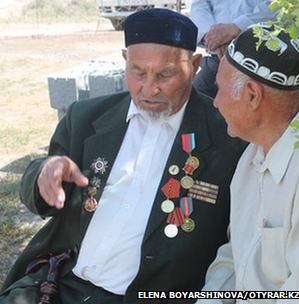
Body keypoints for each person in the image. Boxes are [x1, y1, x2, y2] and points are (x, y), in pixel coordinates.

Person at [0, 8, 246, 304]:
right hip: (60, 283)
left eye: (166, 73)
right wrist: (43, 174)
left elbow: (239, 244)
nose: (149, 88)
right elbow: (40, 191)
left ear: (194, 66)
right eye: (138, 72)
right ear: (124, 61)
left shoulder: (228, 136)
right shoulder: (87, 117)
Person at [196, 23, 299, 303]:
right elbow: (236, 257)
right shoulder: (250, 158)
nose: (215, 102)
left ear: (253, 95)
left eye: (219, 89)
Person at [190, 0, 276, 98]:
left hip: (259, 62)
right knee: (189, 105)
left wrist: (236, 27)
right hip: (217, 59)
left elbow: (279, 6)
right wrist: (212, 36)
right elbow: (200, 4)